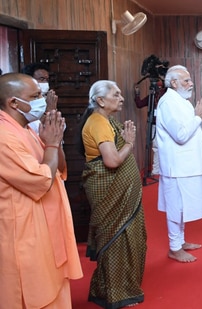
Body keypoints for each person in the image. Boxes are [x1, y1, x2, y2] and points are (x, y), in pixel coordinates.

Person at [0, 73, 82, 308]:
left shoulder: (25, 129)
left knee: (55, 287)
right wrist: (53, 144)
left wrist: (55, 141)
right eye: (35, 96)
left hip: (46, 227)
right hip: (25, 234)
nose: (42, 102)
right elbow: (42, 180)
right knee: (34, 295)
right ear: (13, 102)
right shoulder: (4, 137)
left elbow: (60, 168)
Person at [76, 80, 147, 308]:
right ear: (100, 100)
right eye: (116, 94)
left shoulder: (105, 120)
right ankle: (117, 293)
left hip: (122, 195)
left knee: (128, 238)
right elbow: (112, 160)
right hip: (109, 192)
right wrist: (129, 144)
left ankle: (118, 286)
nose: (122, 98)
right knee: (117, 240)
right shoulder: (97, 122)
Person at [156, 65, 202, 263]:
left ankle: (180, 242)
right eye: (186, 81)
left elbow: (193, 127)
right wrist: (198, 115)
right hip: (177, 167)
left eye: (190, 80)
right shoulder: (167, 103)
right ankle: (174, 248)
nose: (191, 84)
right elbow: (181, 135)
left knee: (182, 207)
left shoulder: (180, 101)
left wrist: (201, 114)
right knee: (176, 208)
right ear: (173, 83)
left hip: (187, 165)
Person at [134, 79, 167, 175]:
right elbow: (139, 104)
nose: (159, 89)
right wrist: (137, 94)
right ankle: (156, 170)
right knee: (156, 147)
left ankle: (164, 168)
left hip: (166, 125)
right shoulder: (151, 97)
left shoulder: (167, 97)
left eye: (160, 86)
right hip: (154, 124)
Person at [21, 62, 59, 133]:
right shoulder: (22, 101)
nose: (45, 83)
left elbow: (60, 126)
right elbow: (32, 129)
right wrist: (48, 111)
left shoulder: (47, 99)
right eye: (42, 79)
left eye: (47, 80)